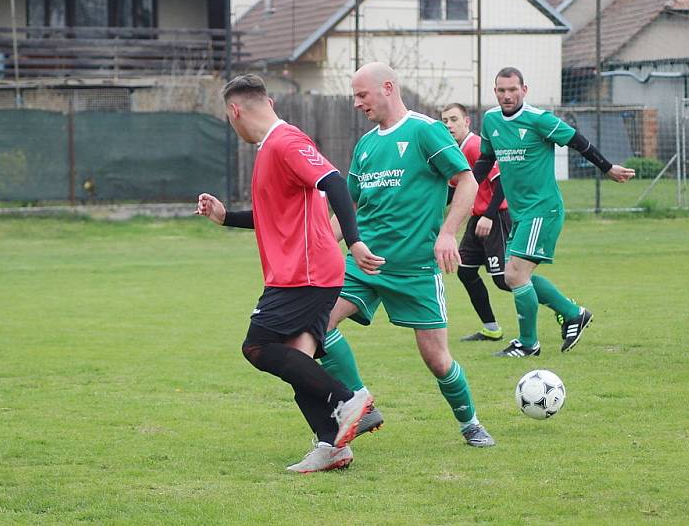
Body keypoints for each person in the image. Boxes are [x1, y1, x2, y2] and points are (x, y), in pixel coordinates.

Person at [196, 74, 384, 472]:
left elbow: (335, 182)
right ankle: (332, 447)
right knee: (298, 360)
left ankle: (349, 399)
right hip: (303, 271)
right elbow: (272, 215)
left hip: (306, 271)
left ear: (235, 110)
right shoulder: (271, 149)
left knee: (257, 347)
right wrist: (225, 216)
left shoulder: (286, 141)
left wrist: (353, 242)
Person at [322, 62, 496, 448]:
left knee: (437, 359)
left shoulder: (424, 131)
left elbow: (467, 180)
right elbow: (348, 208)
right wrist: (319, 244)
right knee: (317, 324)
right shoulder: (366, 145)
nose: (356, 103)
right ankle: (359, 404)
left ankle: (470, 423)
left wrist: (448, 233)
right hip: (364, 265)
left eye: (361, 95)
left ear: (387, 88)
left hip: (415, 269)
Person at [474, 67, 635, 357]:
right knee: (514, 277)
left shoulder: (539, 120)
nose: (507, 95)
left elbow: (577, 140)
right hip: (521, 213)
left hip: (542, 209)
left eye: (512, 90)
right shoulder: (491, 120)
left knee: (514, 274)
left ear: (525, 90)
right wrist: (463, 187)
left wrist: (607, 167)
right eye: (501, 90)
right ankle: (573, 314)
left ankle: (528, 343)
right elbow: (486, 159)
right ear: (495, 91)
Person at [441, 103, 512, 342]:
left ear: (467, 122)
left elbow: (502, 183)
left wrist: (489, 216)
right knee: (466, 270)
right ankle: (491, 328)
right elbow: (453, 193)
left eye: (454, 119)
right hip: (477, 219)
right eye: (445, 121)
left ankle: (567, 310)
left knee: (506, 280)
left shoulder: (474, 146)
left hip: (494, 218)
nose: (449, 125)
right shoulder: (456, 150)